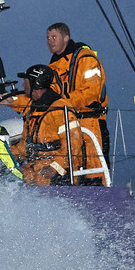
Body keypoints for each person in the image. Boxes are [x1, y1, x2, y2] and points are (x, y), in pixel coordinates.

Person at [9, 64, 108, 185]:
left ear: (36, 83)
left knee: (34, 181)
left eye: (26, 81)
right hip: (35, 168)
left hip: (58, 172)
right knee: (10, 180)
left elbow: (73, 144)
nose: (23, 86)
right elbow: (25, 147)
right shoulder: (33, 110)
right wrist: (5, 158)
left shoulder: (60, 109)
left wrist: (54, 167)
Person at [44, 22, 109, 179]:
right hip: (68, 125)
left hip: (91, 123)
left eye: (54, 37)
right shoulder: (52, 68)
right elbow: (46, 96)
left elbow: (91, 92)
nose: (50, 41)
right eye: (48, 38)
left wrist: (63, 104)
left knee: (95, 174)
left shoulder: (86, 59)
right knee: (71, 174)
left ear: (66, 38)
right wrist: (15, 101)